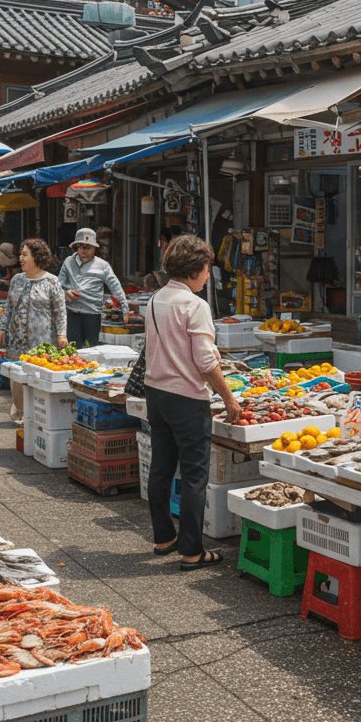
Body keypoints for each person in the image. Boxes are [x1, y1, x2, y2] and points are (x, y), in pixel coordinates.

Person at [145, 235, 241, 571]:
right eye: (205, 270)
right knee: (194, 475)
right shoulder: (194, 306)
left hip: (155, 395)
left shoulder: (156, 298)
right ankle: (192, 551)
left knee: (161, 467)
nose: (206, 276)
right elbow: (204, 360)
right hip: (186, 399)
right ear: (195, 269)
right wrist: (228, 398)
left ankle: (163, 538)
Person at [0, 239, 67, 424]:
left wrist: (62, 335)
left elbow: (60, 311)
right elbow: (8, 307)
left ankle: (38, 414)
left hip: (42, 341)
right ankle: (20, 413)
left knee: (38, 378)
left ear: (37, 257)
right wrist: (2, 328)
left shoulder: (52, 281)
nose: (20, 258)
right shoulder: (17, 279)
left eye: (24, 254)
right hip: (16, 339)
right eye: (20, 254)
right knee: (18, 379)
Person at [59, 228, 129, 348]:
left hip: (92, 314)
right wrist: (66, 293)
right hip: (72, 313)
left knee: (92, 349)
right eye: (80, 247)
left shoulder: (103, 265)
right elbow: (58, 286)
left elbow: (115, 285)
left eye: (87, 247)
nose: (83, 251)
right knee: (73, 350)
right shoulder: (68, 262)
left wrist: (124, 307)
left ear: (94, 248)